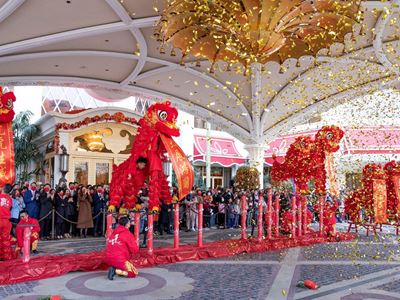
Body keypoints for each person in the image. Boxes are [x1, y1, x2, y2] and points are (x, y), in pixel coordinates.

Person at [105, 216, 139, 280]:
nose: (130, 224)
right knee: (133, 272)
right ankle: (115, 271)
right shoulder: (128, 234)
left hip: (108, 258)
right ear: (126, 224)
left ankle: (114, 267)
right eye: (129, 222)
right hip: (119, 259)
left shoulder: (114, 232)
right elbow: (134, 249)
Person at [0, 184, 15, 261]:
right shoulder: (10, 199)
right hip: (6, 222)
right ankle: (6, 256)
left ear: (2, 188)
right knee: (5, 239)